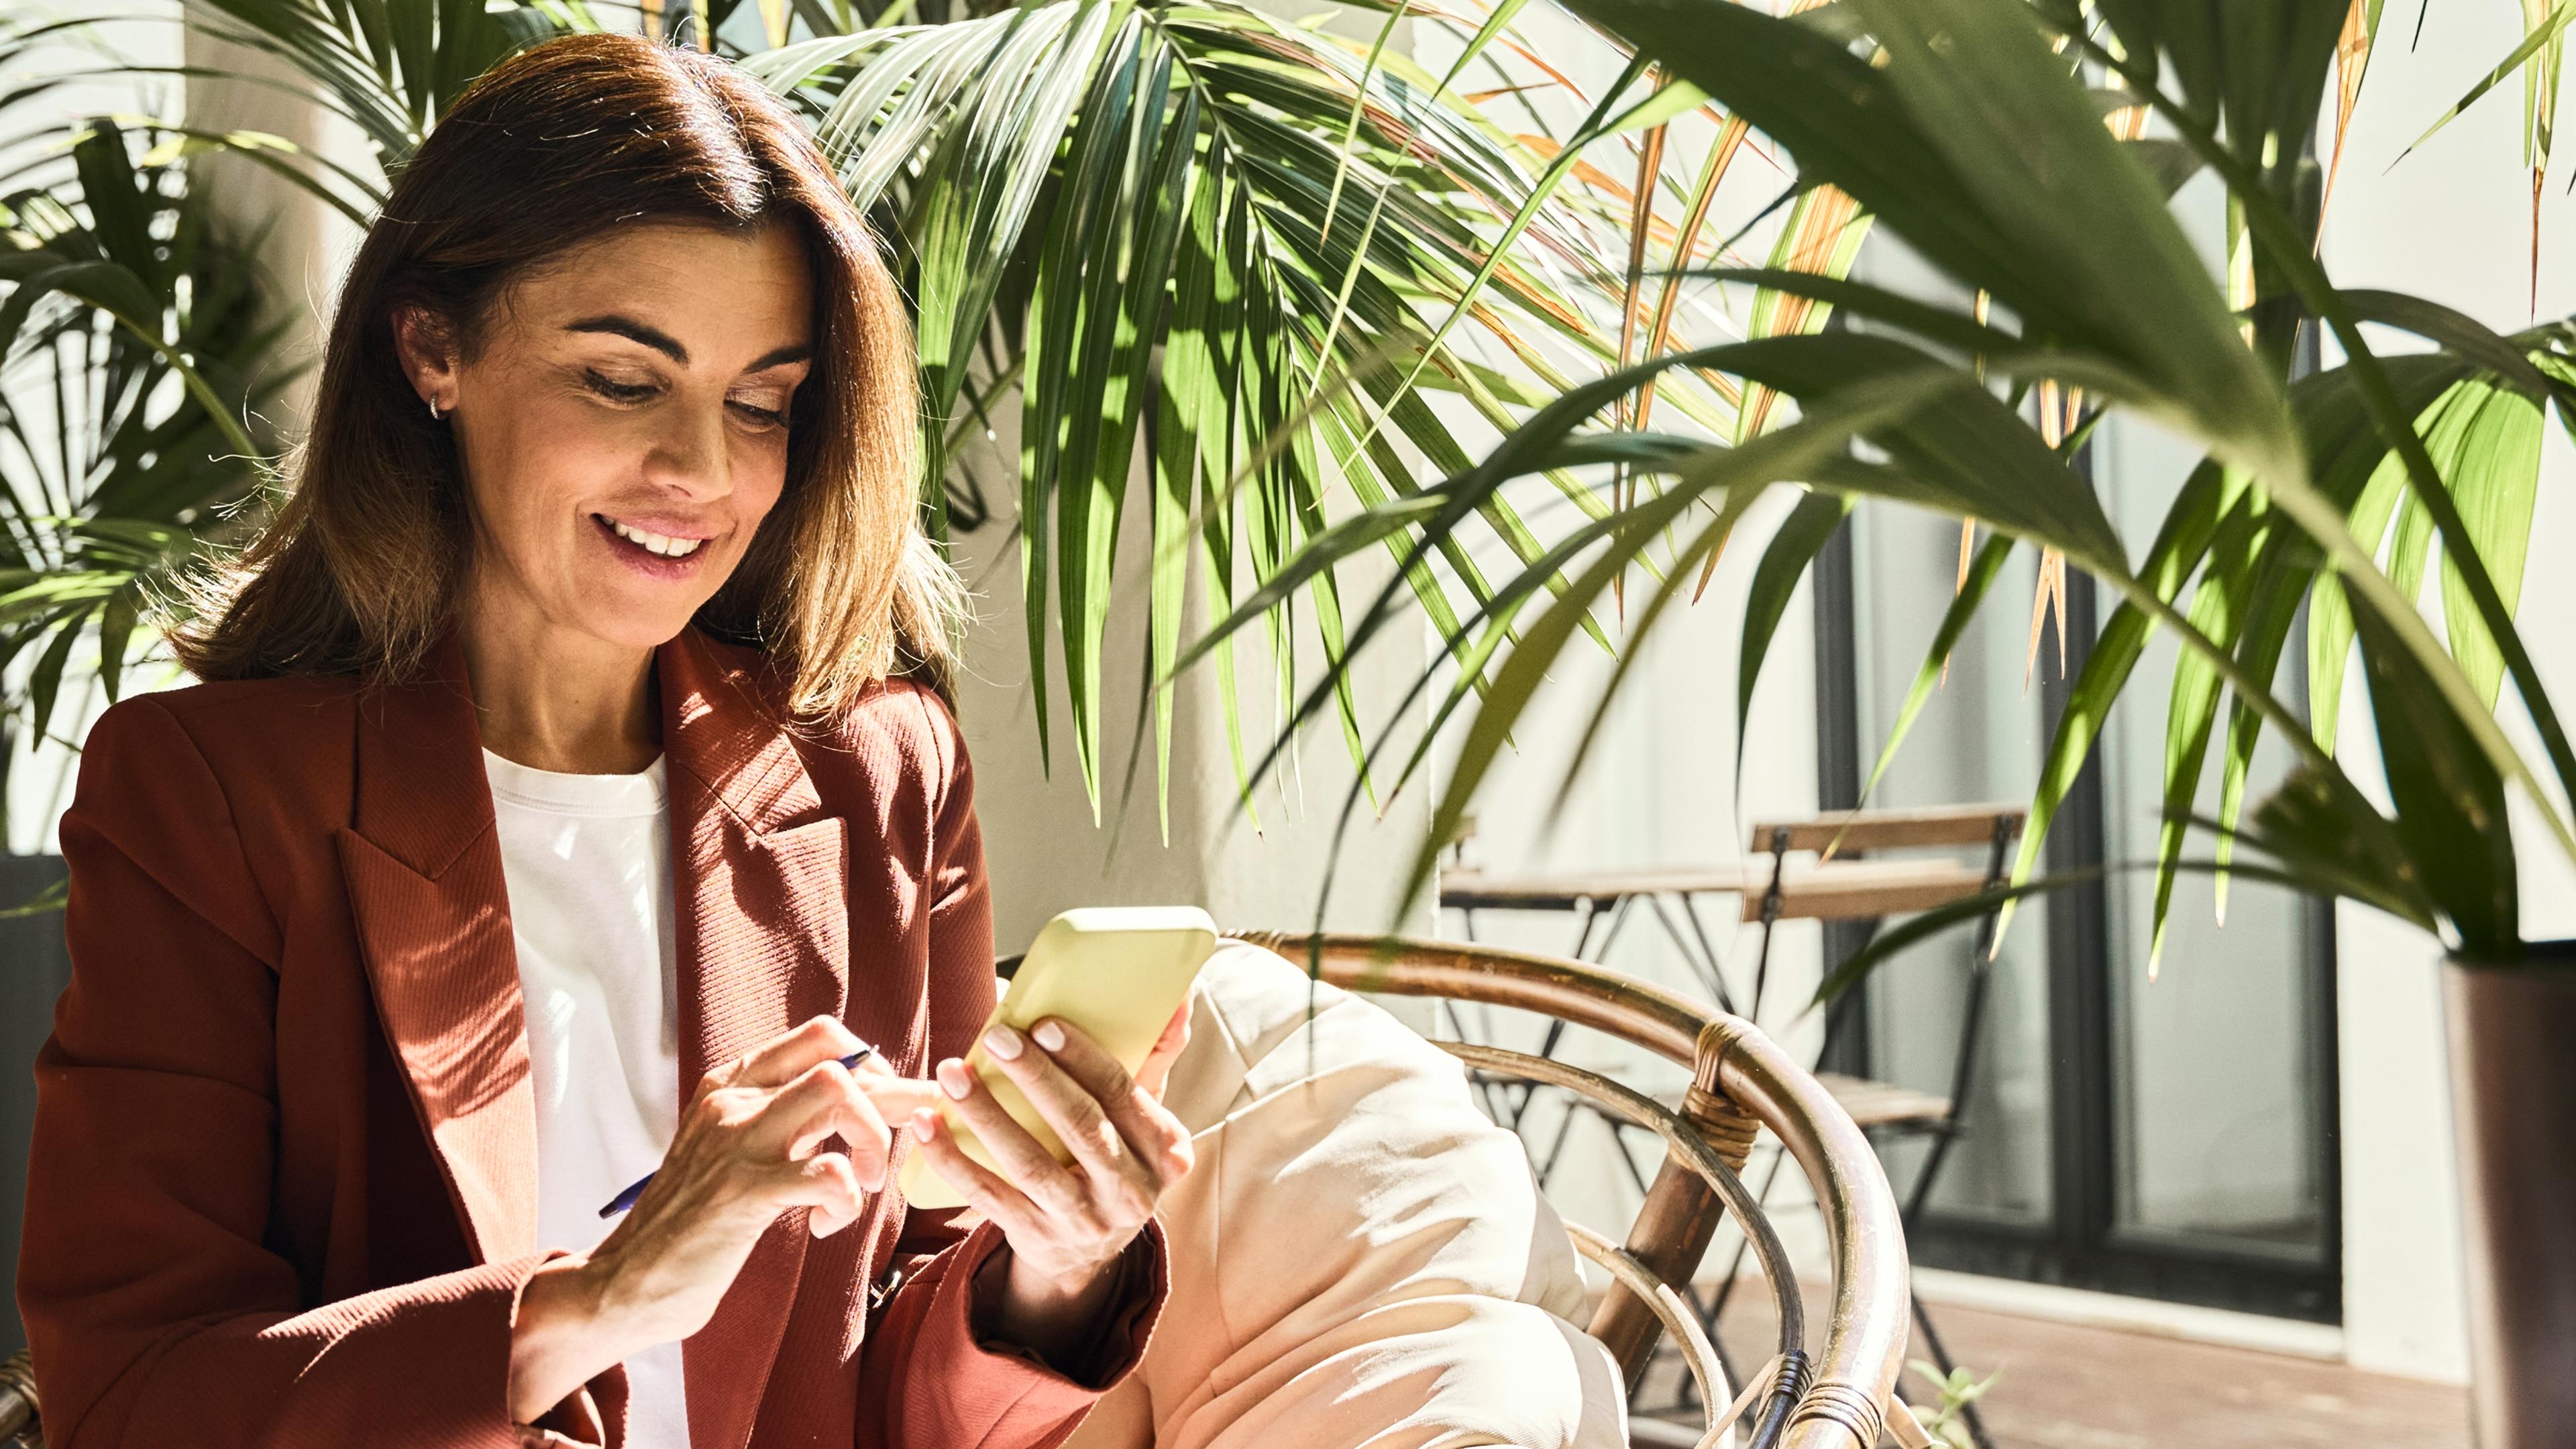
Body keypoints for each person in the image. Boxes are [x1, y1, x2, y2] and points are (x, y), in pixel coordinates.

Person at [14, 32, 1188, 1449]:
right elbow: (129, 1401)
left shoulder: (879, 776)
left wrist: (1057, 1269)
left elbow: (898, 1388)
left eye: (762, 400)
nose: (703, 472)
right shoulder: (211, 794)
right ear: (433, 348)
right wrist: (598, 1299)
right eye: (624, 381)